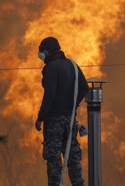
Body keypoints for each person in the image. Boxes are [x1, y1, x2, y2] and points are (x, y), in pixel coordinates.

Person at [34, 37, 89, 186]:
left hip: (54, 121)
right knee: (72, 156)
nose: (40, 53)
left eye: (42, 50)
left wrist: (40, 118)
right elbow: (84, 87)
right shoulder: (72, 65)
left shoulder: (52, 68)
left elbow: (49, 95)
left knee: (54, 159)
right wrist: (72, 105)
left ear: (49, 50)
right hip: (70, 119)